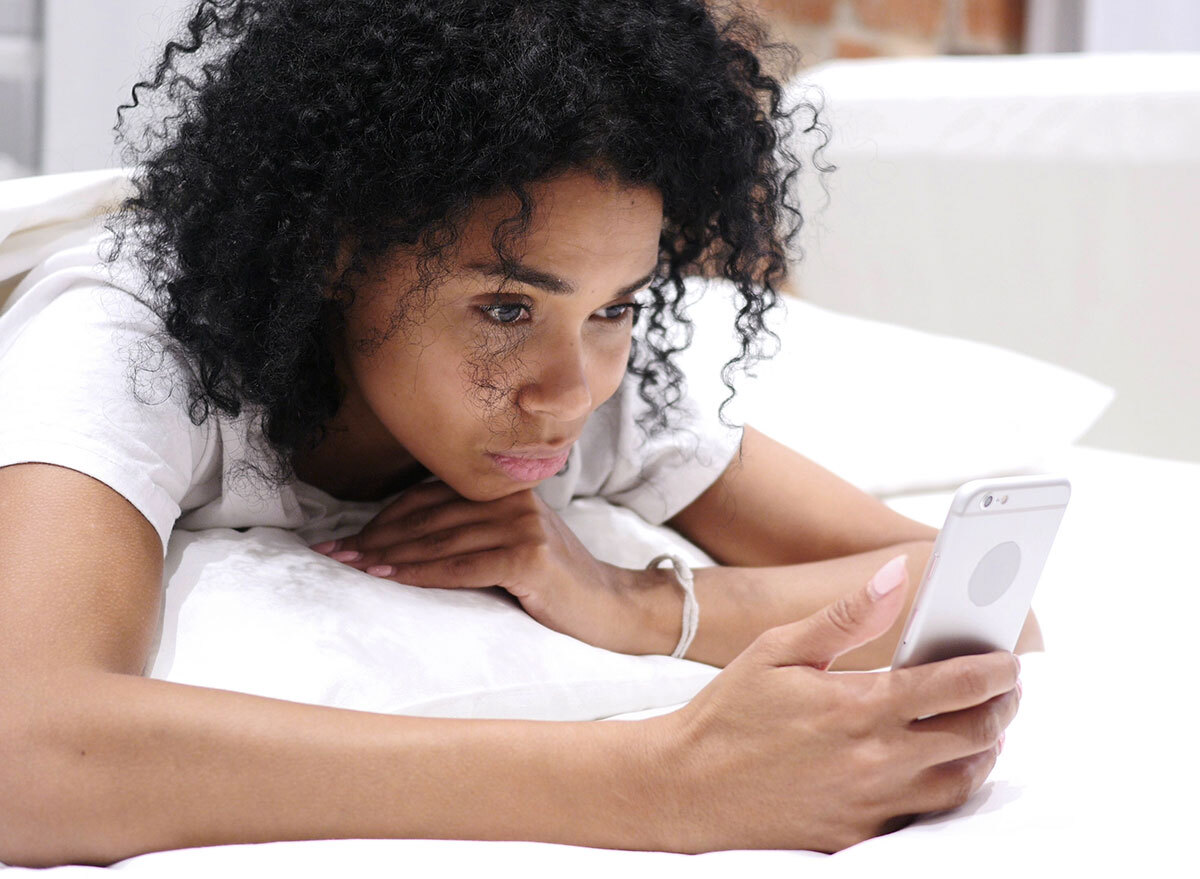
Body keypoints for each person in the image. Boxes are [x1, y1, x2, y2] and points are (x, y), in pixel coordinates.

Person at [0, 0, 1038, 867]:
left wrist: (636, 607)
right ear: (332, 255)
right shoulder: (138, 333)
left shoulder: (588, 375)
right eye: (505, 308)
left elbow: (989, 591)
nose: (570, 392)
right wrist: (660, 785)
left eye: (620, 306)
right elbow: (28, 747)